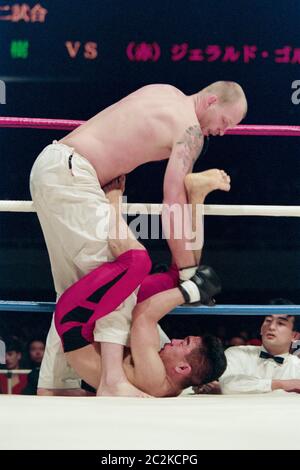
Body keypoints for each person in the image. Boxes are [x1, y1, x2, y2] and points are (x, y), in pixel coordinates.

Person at [30, 81, 245, 396]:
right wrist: (187, 273)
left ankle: (54, 387)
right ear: (211, 100)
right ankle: (113, 380)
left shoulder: (166, 92)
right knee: (125, 269)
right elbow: (173, 201)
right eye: (225, 122)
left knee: (80, 286)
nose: (223, 131)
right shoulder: (190, 131)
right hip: (74, 177)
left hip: (58, 170)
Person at [54, 184, 226, 397]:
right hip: (94, 320)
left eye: (184, 343)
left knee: (137, 262)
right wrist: (186, 286)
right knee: (179, 276)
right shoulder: (168, 380)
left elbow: (143, 315)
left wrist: (191, 292)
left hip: (75, 321)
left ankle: (113, 201)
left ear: (183, 368)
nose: (174, 340)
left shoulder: (155, 378)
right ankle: (196, 200)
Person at [219, 314, 300, 394]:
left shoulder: (297, 366)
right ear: (261, 329)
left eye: (280, 323)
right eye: (268, 321)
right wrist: (281, 384)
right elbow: (226, 386)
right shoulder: (236, 353)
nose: (271, 327)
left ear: (295, 336)